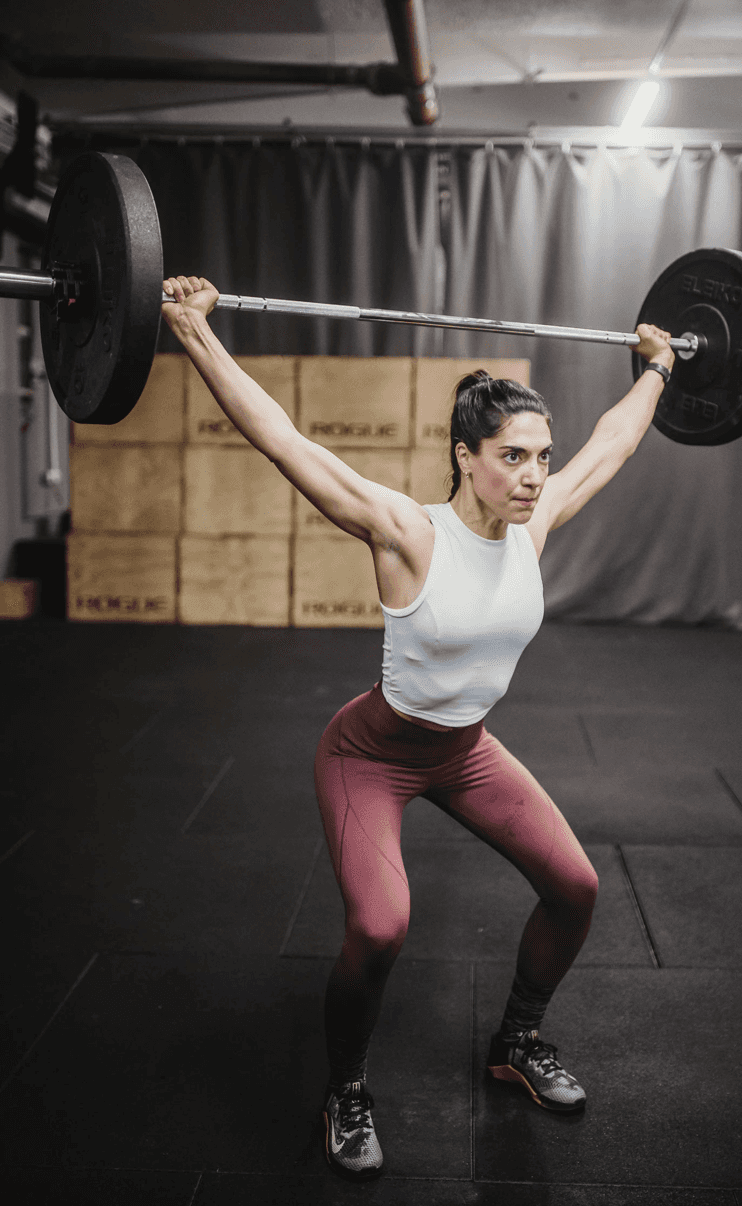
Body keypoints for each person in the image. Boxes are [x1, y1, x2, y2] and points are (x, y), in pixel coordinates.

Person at [161, 274, 676, 1182]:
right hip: (371, 754)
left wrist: (660, 369)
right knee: (382, 927)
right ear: (465, 456)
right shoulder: (406, 533)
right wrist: (194, 331)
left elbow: (614, 443)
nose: (535, 475)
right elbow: (282, 440)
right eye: (513, 456)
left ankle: (517, 1041)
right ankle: (346, 1090)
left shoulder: (534, 526)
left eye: (541, 457)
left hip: (466, 753)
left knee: (577, 888)